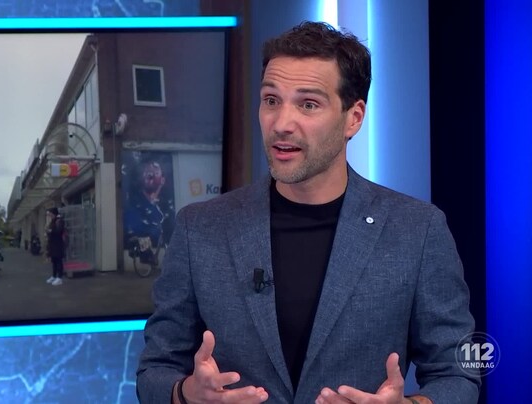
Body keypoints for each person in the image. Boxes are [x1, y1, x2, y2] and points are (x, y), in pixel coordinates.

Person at [136, 21, 479, 404]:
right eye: (271, 100)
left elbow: (458, 374)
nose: (281, 124)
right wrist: (185, 394)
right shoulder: (200, 229)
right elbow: (155, 370)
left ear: (354, 118)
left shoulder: (417, 231)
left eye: (308, 104)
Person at [123, 158, 175, 263]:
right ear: (141, 177)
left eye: (155, 172)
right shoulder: (133, 203)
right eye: (147, 172)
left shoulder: (167, 206)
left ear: (162, 180)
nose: (150, 174)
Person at [45, 207, 66, 286]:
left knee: (59, 260)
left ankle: (59, 277)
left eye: (50, 214)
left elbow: (59, 231)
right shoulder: (52, 221)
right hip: (53, 244)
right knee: (54, 261)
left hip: (58, 244)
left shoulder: (59, 221)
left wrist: (50, 231)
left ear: (53, 213)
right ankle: (54, 276)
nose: (49, 215)